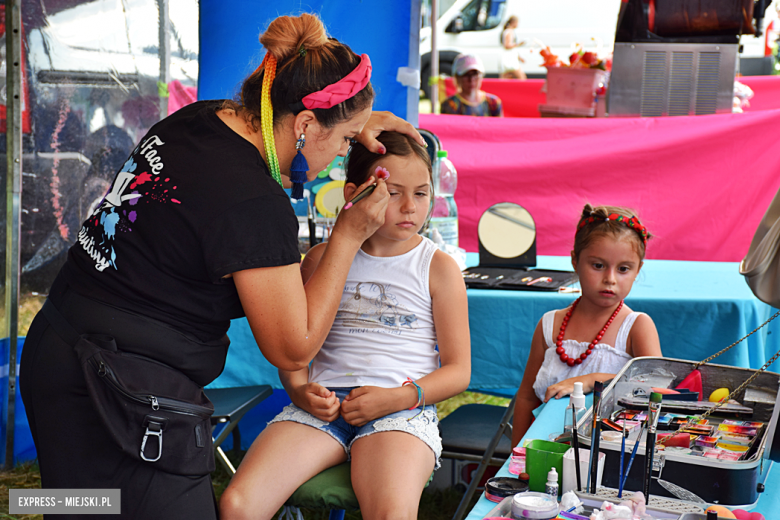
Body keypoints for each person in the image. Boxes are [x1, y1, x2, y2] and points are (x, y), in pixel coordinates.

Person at [19, 13, 426, 520]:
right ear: (304, 124)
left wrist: (355, 118)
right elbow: (292, 344)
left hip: (56, 351)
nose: (345, 153)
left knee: (81, 509)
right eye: (345, 140)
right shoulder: (252, 202)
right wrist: (347, 235)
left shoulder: (201, 119)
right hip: (116, 391)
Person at [219, 131, 471, 520]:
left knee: (390, 514)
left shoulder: (438, 267)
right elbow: (293, 346)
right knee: (237, 505)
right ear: (354, 192)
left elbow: (459, 372)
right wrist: (300, 390)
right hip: (322, 408)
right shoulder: (320, 259)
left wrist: (399, 398)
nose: (409, 207)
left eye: (421, 194)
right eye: (393, 193)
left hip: (400, 409)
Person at [511, 204, 662, 447]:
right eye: (598, 265)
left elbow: (655, 391)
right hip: (547, 453)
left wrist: (594, 380)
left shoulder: (636, 327)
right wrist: (516, 455)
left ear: (638, 270)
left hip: (611, 457)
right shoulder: (549, 325)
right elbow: (527, 399)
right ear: (575, 261)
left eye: (623, 269)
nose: (610, 279)